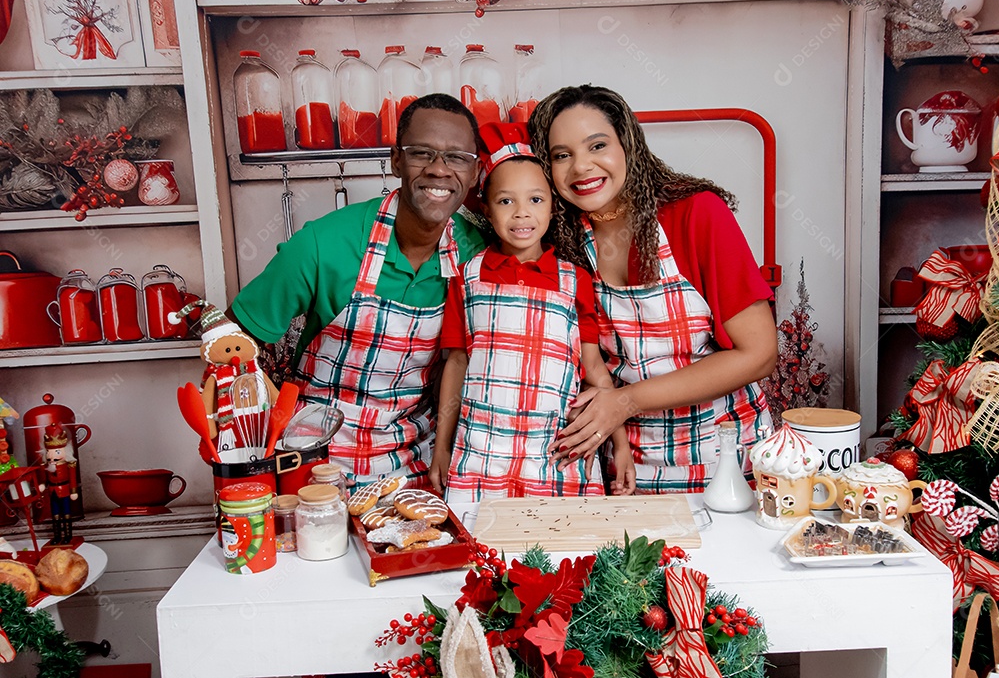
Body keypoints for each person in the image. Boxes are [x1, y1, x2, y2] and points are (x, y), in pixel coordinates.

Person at [527, 85, 778, 494]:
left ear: (628, 144)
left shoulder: (696, 214)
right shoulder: (562, 240)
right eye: (561, 155)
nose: (581, 167)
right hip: (627, 470)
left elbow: (759, 353)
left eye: (597, 145)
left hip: (729, 464)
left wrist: (625, 402)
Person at [230, 94, 487, 489]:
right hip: (313, 465)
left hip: (417, 468)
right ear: (395, 159)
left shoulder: (477, 255)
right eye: (422, 153)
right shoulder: (323, 243)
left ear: (474, 172)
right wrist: (252, 454)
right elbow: (232, 344)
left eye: (456, 158)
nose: (439, 170)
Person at [429, 122, 635, 500]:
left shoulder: (575, 282)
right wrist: (442, 445)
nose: (522, 213)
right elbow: (456, 364)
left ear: (553, 207)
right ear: (487, 211)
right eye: (507, 201)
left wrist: (619, 443)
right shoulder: (468, 276)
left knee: (560, 553)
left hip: (556, 454)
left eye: (536, 200)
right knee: (482, 551)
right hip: (481, 455)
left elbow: (593, 369)